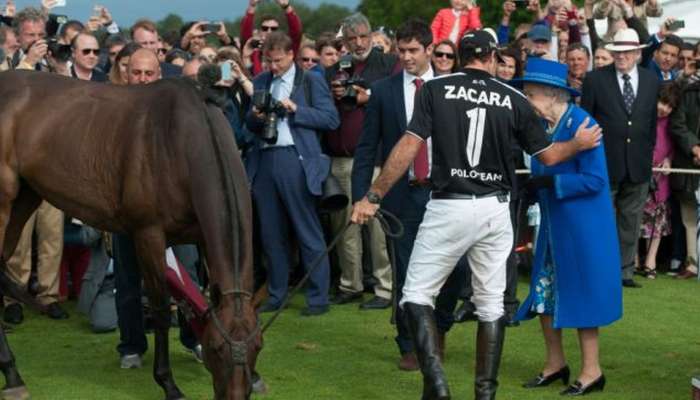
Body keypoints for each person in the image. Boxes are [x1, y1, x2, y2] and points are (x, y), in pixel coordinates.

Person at [351, 29, 602, 400]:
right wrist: (577, 144)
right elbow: (549, 156)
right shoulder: (514, 98)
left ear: (460, 54)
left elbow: (409, 144)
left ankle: (436, 383)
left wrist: (373, 195)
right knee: (490, 304)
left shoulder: (434, 89)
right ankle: (485, 393)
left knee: (416, 294)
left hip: (449, 204)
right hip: (494, 209)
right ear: (492, 57)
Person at [353, 18, 468, 372]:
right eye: (400, 50)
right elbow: (368, 146)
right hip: (402, 196)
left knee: (457, 270)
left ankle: (440, 329)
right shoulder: (384, 91)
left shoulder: (451, 88)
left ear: (429, 49)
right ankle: (409, 343)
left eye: (413, 50)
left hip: (448, 193)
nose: (405, 57)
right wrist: (363, 196)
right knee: (407, 274)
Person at [513, 57, 622, 396]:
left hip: (583, 228)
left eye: (531, 94)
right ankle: (555, 364)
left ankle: (593, 371)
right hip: (552, 226)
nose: (527, 100)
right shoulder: (541, 126)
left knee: (583, 296)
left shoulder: (582, 123)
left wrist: (550, 185)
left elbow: (595, 180)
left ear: (552, 94)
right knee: (544, 296)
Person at [246, 32, 340, 316]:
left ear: (291, 55)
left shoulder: (310, 79)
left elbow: (330, 118)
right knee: (270, 233)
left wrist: (296, 109)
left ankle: (318, 297)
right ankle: (276, 293)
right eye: (268, 60)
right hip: (264, 159)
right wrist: (256, 117)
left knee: (306, 229)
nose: (273, 66)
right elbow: (247, 123)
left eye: (277, 61)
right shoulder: (262, 80)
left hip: (295, 159)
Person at [324, 13, 399, 310]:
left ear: (371, 35)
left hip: (376, 160)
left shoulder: (387, 64)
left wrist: (368, 95)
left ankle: (384, 288)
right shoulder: (334, 70)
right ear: (344, 41)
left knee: (378, 230)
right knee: (345, 228)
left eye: (363, 36)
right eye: (351, 38)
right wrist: (336, 94)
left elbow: (395, 103)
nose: (358, 43)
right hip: (340, 159)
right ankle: (350, 284)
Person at [581, 28, 660, 288]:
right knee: (599, 220)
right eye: (617, 52)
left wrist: (647, 157)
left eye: (626, 52)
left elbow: (650, 125)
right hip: (603, 163)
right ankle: (595, 268)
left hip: (637, 164)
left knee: (631, 221)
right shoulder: (594, 79)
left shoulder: (651, 81)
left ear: (638, 53)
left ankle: (624, 271)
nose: (621, 56)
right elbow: (586, 122)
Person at [669, 64, 700, 279]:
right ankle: (692, 263)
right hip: (690, 164)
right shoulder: (688, 92)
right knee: (689, 216)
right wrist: (695, 148)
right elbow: (677, 124)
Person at [240, 0, 302, 76]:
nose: (269, 31)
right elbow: (246, 35)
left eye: (274, 29)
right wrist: (252, 7)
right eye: (265, 28)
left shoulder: (286, 49)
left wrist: (287, 7)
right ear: (259, 31)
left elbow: (296, 32)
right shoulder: (253, 52)